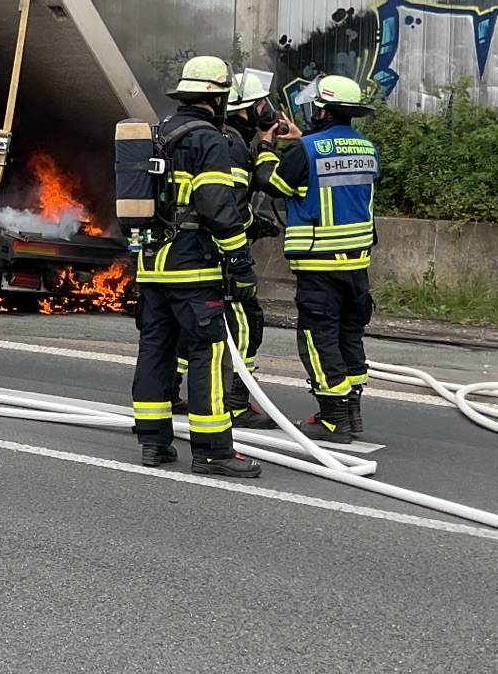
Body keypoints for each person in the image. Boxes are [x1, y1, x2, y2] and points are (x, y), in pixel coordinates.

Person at [130, 55, 262, 478]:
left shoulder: (158, 134)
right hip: (194, 270)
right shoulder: (209, 140)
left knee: (156, 351)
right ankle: (212, 452)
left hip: (151, 267)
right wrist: (239, 261)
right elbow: (217, 207)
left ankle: (154, 443)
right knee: (208, 353)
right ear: (218, 98)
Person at [255, 75, 379, 443]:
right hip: (357, 266)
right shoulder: (367, 148)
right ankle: (352, 414)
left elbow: (272, 183)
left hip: (319, 265)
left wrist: (266, 145)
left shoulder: (306, 150)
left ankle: (333, 420)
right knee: (349, 337)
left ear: (323, 111)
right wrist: (300, 141)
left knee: (318, 339)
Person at [216, 72, 281, 429]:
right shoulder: (233, 145)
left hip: (201, 251)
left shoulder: (225, 137)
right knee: (245, 322)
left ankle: (172, 392)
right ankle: (235, 403)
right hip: (227, 253)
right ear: (243, 109)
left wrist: (267, 144)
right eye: (260, 104)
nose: (266, 109)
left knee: (193, 325)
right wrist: (254, 227)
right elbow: (233, 208)